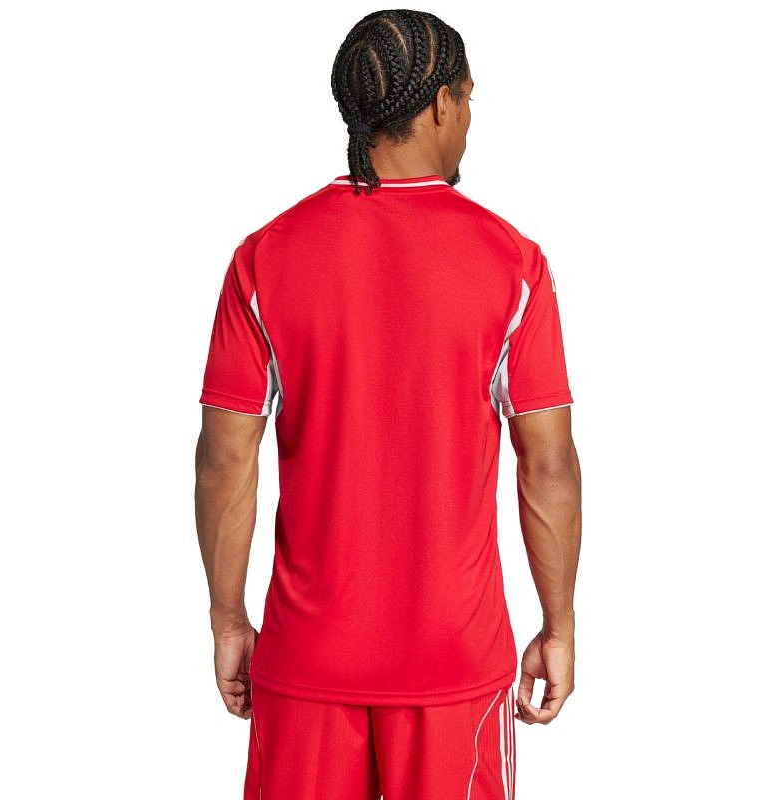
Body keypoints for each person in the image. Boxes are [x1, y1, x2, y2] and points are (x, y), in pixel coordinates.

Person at [194, 9, 582, 800]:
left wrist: (228, 617)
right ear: (441, 103)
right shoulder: (512, 264)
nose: (469, 121)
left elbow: (224, 459)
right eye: (469, 101)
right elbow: (547, 465)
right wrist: (560, 625)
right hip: (454, 663)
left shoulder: (266, 257)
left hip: (306, 662)